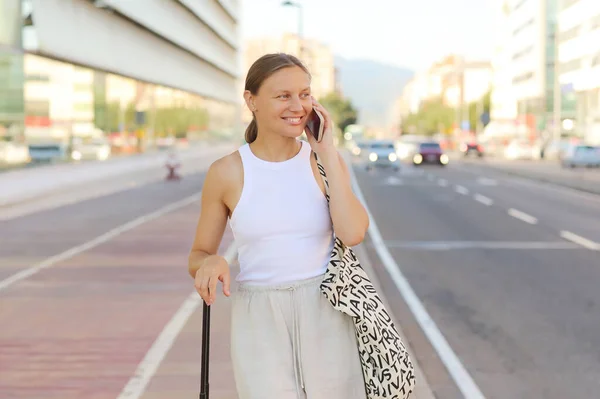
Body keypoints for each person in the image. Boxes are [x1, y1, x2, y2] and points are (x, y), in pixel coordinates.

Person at [188, 53, 370, 399]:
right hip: (259, 317)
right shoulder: (226, 172)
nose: (298, 106)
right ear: (251, 100)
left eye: (305, 94)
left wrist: (328, 152)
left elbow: (353, 233)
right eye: (283, 95)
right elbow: (198, 254)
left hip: (326, 308)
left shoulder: (322, 161)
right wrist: (210, 262)